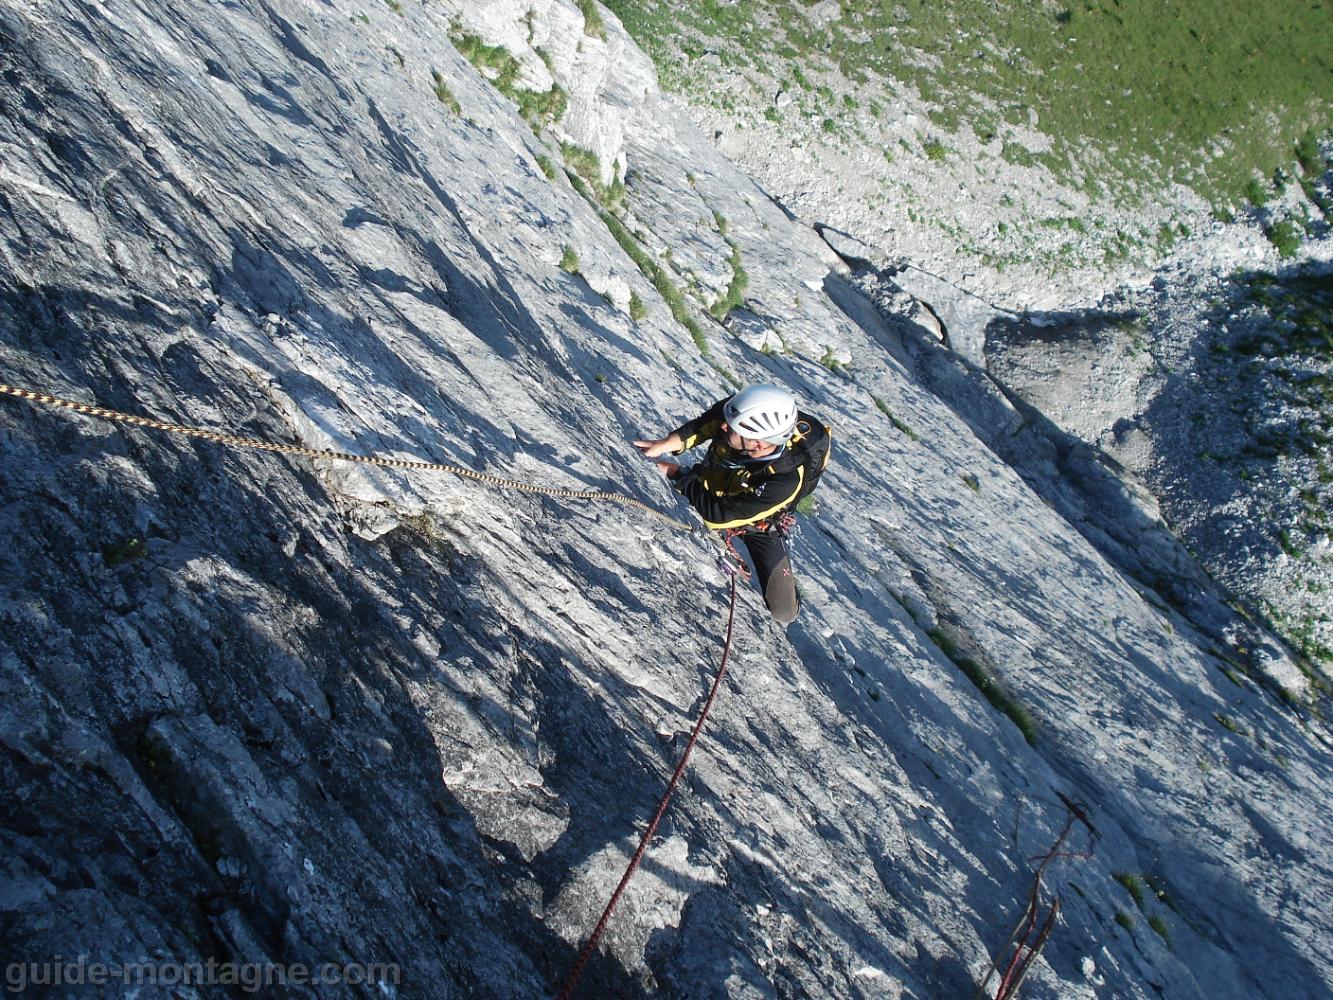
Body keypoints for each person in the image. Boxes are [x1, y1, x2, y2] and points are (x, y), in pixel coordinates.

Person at [634, 383, 830, 624]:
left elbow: (717, 516)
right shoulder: (739, 416)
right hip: (712, 483)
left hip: (758, 524)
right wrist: (666, 444)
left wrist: (679, 475)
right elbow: (702, 426)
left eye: (732, 428)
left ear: (758, 444)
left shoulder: (786, 480)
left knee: (784, 612)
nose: (724, 426)